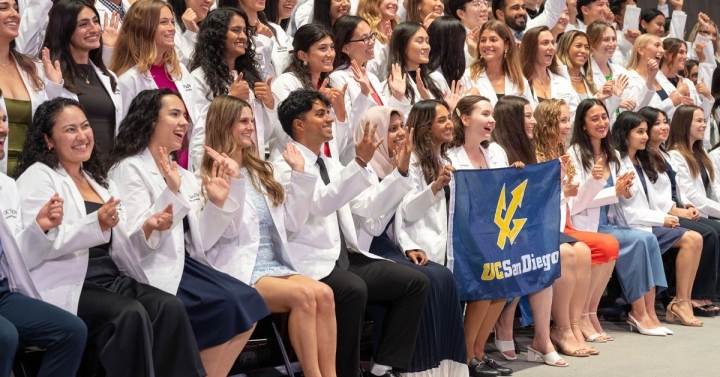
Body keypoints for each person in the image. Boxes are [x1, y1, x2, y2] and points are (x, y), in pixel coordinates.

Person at [13, 97, 206, 377]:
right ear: (49, 140)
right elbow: (36, 246)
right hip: (70, 281)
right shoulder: (39, 177)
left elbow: (127, 247)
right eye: (70, 130)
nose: (82, 136)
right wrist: (96, 223)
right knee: (129, 314)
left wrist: (149, 227)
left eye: (85, 126)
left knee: (168, 306)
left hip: (110, 278)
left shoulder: (99, 182)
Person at [107, 89, 269, 377]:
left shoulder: (179, 171)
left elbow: (203, 241)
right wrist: (168, 193)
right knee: (228, 304)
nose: (184, 122)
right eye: (174, 114)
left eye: (185, 115)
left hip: (187, 264)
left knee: (249, 302)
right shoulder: (129, 169)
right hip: (151, 269)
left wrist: (220, 201)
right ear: (149, 121)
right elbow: (132, 246)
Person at [272, 88, 429, 377]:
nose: (330, 118)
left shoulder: (330, 163)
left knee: (414, 282)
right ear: (298, 124)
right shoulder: (284, 164)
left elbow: (368, 207)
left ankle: (382, 368)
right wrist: (358, 163)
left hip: (344, 256)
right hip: (310, 262)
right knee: (352, 289)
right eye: (320, 113)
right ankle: (346, 373)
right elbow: (318, 205)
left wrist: (401, 172)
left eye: (328, 112)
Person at [200, 95, 338, 377]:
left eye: (252, 120)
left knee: (324, 294)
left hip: (274, 265)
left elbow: (292, 222)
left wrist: (300, 174)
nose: (250, 126)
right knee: (303, 297)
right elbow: (228, 231)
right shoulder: (208, 173)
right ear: (224, 125)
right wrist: (233, 184)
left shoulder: (261, 171)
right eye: (243, 121)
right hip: (240, 269)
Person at [351, 105, 467, 377]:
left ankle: (443, 365)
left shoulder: (398, 164)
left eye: (401, 126)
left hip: (393, 245)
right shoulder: (362, 170)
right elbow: (375, 224)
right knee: (422, 281)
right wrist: (402, 176)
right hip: (366, 248)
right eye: (392, 129)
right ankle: (411, 367)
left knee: (444, 278)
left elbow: (398, 222)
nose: (400, 133)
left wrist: (407, 247)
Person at [0, 98, 87, 377]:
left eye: (4, 120)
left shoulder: (7, 186)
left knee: (71, 330)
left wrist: (40, 228)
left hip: (2, 293)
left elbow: (19, 258)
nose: (3, 129)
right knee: (5, 336)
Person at [568, 98, 669, 336]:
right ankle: (638, 311)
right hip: (586, 224)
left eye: (604, 117)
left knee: (648, 238)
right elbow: (576, 202)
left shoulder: (612, 153)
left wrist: (624, 188)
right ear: (582, 125)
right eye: (594, 119)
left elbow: (625, 193)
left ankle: (649, 312)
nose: (602, 122)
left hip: (609, 222)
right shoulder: (574, 154)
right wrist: (612, 191)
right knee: (639, 241)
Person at [446, 96, 527, 374]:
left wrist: (513, 175)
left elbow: (504, 196)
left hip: (491, 232)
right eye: (485, 114)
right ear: (465, 119)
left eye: (493, 114)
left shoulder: (497, 153)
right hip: (461, 235)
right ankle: (467, 355)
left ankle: (479, 351)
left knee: (503, 285)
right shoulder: (449, 155)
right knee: (487, 281)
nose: (492, 119)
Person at [533, 98, 620, 345]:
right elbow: (542, 200)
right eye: (562, 120)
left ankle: (583, 316)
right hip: (552, 225)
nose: (566, 125)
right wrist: (572, 191)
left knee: (608, 245)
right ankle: (571, 322)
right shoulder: (542, 155)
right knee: (592, 248)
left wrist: (597, 185)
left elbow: (574, 202)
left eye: (567, 119)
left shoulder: (561, 154)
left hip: (564, 221)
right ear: (548, 123)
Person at [611, 110, 704, 327]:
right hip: (633, 224)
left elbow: (651, 200)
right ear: (625, 134)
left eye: (645, 132)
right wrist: (661, 219)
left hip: (648, 220)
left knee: (697, 239)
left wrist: (663, 215)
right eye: (640, 132)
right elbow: (628, 211)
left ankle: (683, 301)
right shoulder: (618, 163)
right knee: (692, 239)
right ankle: (679, 302)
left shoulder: (641, 159)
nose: (645, 137)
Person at [639, 106, 720, 316]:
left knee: (714, 229)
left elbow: (678, 189)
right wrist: (676, 210)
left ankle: (708, 292)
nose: (664, 126)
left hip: (675, 209)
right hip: (661, 215)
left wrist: (687, 207)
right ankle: (694, 295)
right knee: (708, 233)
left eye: (665, 121)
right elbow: (652, 195)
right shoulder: (643, 156)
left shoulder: (664, 153)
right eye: (657, 123)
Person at [109, 0, 198, 170]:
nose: (172, 28)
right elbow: (123, 134)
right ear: (144, 28)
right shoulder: (129, 80)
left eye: (172, 21)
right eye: (163, 22)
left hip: (184, 166)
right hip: (147, 169)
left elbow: (194, 124)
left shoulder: (180, 73)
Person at [188, 7, 276, 169]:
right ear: (217, 36)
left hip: (252, 164)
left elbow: (261, 133)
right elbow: (198, 130)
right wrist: (230, 99)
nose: (243, 36)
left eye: (244, 31)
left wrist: (269, 104)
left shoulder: (248, 76)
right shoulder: (199, 78)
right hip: (219, 166)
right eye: (236, 30)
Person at [42, 0, 122, 154]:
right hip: (70, 167)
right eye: (83, 24)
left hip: (109, 168)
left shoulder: (108, 76)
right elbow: (45, 121)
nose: (94, 29)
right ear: (65, 30)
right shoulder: (48, 73)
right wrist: (53, 86)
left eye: (95, 21)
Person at [271, 24, 351, 159]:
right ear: (303, 55)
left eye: (332, 47)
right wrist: (316, 102)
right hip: (293, 163)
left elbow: (336, 144)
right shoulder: (286, 82)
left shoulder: (331, 84)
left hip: (327, 165)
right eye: (322, 48)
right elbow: (286, 133)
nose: (330, 54)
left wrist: (340, 112)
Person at [669, 105, 720, 299]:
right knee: (711, 233)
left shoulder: (702, 153)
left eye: (704, 120)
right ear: (684, 124)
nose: (704, 125)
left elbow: (714, 189)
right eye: (698, 121)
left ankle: (714, 291)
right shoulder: (675, 155)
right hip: (689, 210)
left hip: (705, 209)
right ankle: (699, 295)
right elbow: (690, 195)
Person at [0, 0, 48, 173]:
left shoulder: (32, 68)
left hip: (31, 173)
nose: (14, 14)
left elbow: (46, 122)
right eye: (4, 8)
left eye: (16, 8)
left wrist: (54, 87)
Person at [460, 20, 532, 107]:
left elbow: (531, 114)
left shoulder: (520, 80)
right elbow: (457, 113)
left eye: (493, 40)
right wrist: (466, 99)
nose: (487, 44)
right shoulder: (467, 76)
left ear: (506, 45)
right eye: (483, 40)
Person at [384, 22, 444, 113]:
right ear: (402, 45)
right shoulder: (391, 85)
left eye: (427, 41)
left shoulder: (434, 80)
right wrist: (397, 97)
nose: (426, 46)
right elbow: (394, 121)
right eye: (419, 41)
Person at [519, 26, 579, 116]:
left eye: (553, 42)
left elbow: (576, 114)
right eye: (545, 43)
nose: (552, 48)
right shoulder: (519, 83)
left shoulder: (562, 82)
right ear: (531, 48)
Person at [656, 38, 714, 118]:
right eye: (681, 52)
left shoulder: (687, 82)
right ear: (666, 54)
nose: (685, 56)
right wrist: (679, 93)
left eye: (686, 53)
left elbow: (703, 117)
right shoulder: (653, 81)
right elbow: (651, 113)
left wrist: (707, 96)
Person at [357, 0, 400, 79]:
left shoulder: (397, 31)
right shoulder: (363, 35)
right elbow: (368, 72)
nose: (395, 3)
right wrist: (388, 47)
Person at [491, 0, 565, 43]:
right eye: (515, 8)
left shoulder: (531, 30)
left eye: (523, 7)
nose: (522, 12)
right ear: (500, 14)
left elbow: (552, 12)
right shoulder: (492, 39)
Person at [167, 0, 214, 65]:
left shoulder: (211, 25)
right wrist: (191, 34)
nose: (209, 1)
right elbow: (175, 69)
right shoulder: (166, 24)